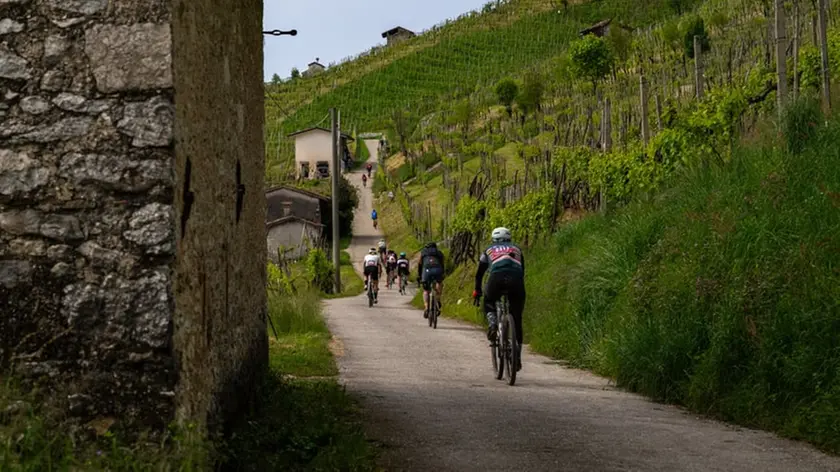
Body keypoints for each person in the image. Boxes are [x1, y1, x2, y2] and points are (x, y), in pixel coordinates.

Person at [472, 227, 525, 372]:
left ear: (493, 239)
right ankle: (517, 357)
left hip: (496, 278)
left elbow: (479, 274)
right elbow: (522, 271)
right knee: (517, 318)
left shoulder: (488, 250)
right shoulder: (517, 249)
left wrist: (477, 291)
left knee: (489, 300)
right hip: (516, 280)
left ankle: (493, 324)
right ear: (509, 238)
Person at [417, 241, 445, 319]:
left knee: (426, 290)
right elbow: (442, 264)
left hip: (426, 271)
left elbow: (419, 265)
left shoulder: (423, 253)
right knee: (439, 283)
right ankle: (438, 299)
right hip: (437, 270)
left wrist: (419, 276)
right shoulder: (439, 253)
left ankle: (426, 307)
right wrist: (442, 274)